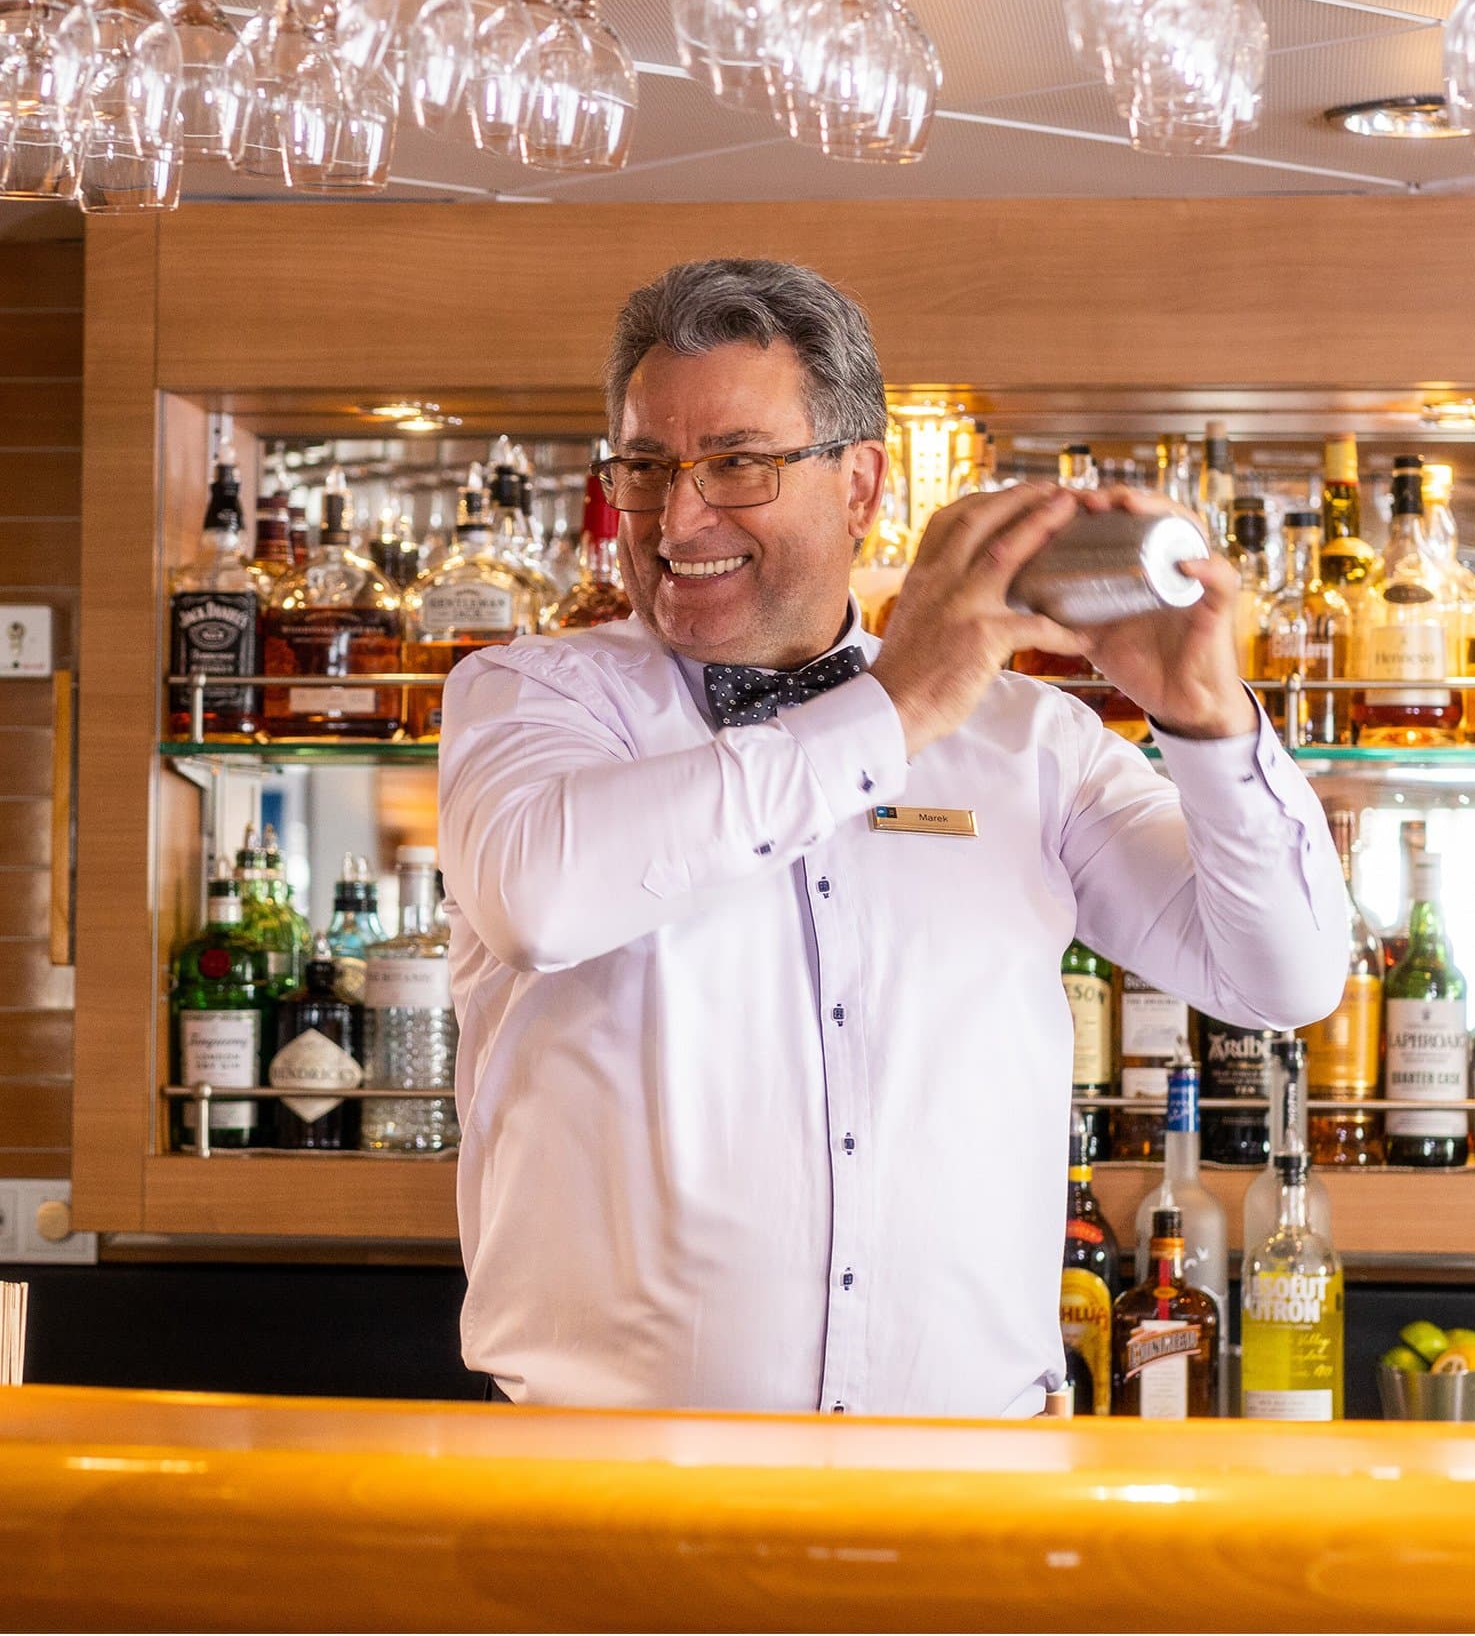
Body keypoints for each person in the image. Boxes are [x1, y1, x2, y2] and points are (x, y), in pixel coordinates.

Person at [439, 259, 1347, 1414]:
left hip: (970, 1496)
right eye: (648, 466)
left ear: (861, 484)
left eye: (738, 463)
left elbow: (1285, 973)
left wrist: (1208, 723)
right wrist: (896, 705)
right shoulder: (531, 698)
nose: (677, 516)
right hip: (617, 1495)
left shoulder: (1031, 741)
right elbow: (543, 899)